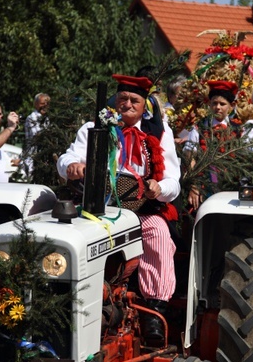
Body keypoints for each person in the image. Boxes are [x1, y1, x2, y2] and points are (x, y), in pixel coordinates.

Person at [57, 74, 181, 347]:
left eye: (134, 100)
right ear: (115, 100)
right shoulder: (96, 127)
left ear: (143, 104)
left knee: (159, 234)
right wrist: (72, 167)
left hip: (142, 211)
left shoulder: (159, 132)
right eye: (122, 98)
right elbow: (68, 157)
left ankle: (154, 312)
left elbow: (173, 181)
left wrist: (157, 188)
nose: (127, 104)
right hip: (97, 210)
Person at [186, 80, 239, 210]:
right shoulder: (199, 127)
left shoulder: (238, 129)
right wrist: (194, 185)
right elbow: (190, 158)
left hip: (231, 186)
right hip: (204, 185)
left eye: (222, 104)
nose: (218, 107)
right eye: (214, 103)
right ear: (209, 104)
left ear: (230, 106)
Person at [24, 93, 51, 174]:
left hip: (44, 159)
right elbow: (39, 136)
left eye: (47, 104)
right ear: (35, 104)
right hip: (34, 159)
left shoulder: (47, 118)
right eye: (42, 103)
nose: (45, 106)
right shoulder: (32, 117)